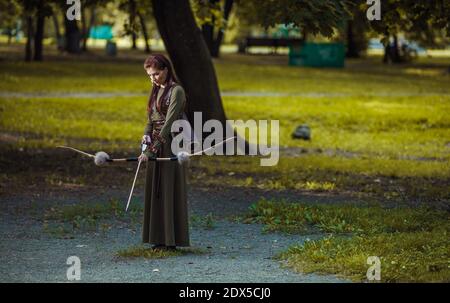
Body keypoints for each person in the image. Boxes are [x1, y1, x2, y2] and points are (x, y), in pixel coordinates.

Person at [138, 54, 190, 250]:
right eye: (150, 75)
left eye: (157, 74)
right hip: (155, 144)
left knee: (168, 188)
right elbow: (151, 119)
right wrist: (146, 137)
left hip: (171, 144)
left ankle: (171, 241)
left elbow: (168, 125)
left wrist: (152, 151)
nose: (153, 78)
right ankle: (158, 239)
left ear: (166, 69)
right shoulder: (155, 89)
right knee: (156, 190)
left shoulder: (176, 91)